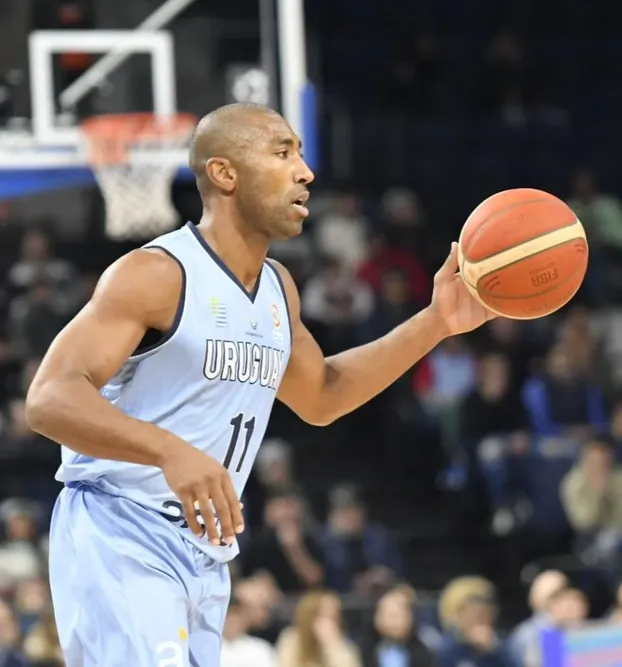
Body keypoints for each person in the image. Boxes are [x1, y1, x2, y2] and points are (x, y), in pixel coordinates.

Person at [26, 102, 495, 667]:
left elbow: (322, 396)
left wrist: (436, 322)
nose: (306, 171)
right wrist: (169, 451)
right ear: (225, 174)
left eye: (299, 152)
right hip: (121, 528)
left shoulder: (278, 287)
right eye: (283, 152)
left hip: (205, 551)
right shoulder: (157, 273)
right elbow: (49, 397)